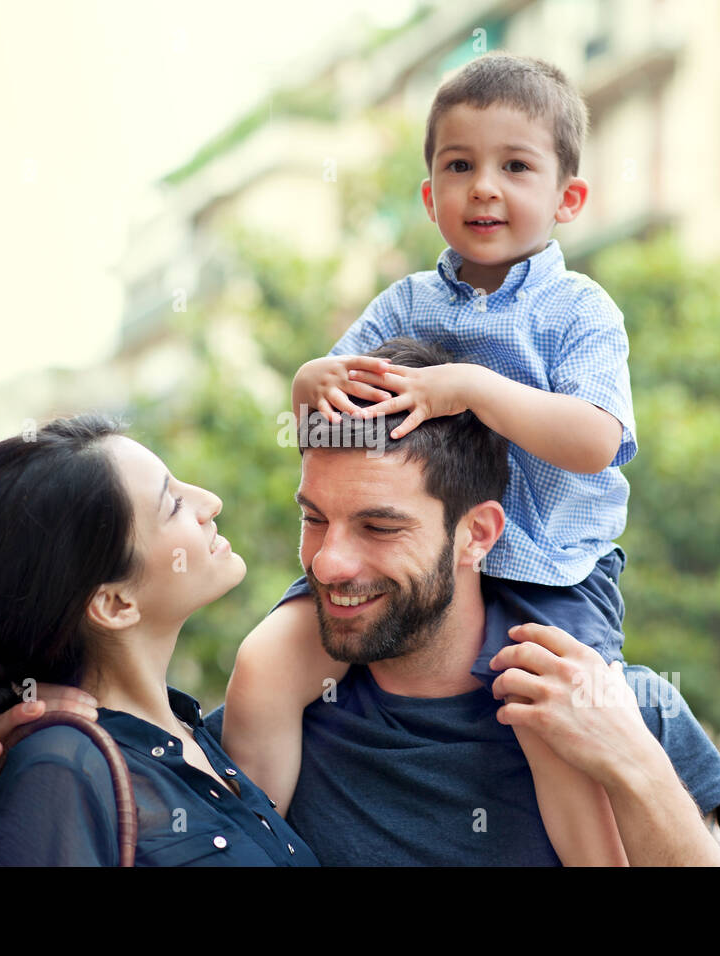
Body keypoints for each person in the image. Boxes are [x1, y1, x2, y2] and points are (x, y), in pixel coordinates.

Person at [0, 339, 720, 866]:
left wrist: (635, 765)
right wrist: (60, 754)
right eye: (313, 518)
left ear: (477, 535)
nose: (329, 561)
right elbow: (134, 795)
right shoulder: (257, 739)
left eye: (379, 526)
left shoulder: (631, 710)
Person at [223, 53, 638, 864]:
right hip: (402, 554)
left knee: (564, 721)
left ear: (568, 197)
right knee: (265, 660)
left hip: (552, 566)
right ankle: (251, 842)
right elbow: (326, 413)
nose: (484, 186)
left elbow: (595, 439)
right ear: (429, 196)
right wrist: (311, 379)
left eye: (515, 166)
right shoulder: (405, 302)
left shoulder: (579, 309)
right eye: (460, 165)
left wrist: (474, 389)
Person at [0, 414, 316, 867]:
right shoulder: (60, 767)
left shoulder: (194, 740)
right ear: (115, 603)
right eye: (173, 504)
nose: (210, 502)